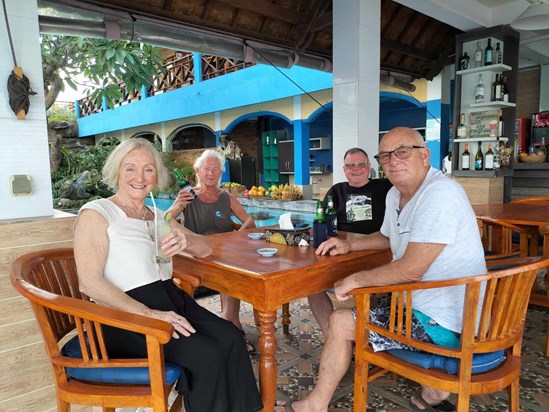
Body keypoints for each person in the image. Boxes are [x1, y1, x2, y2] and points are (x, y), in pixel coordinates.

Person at [276, 127, 486, 412]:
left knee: (340, 321)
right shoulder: (395, 195)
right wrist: (350, 245)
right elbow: (387, 237)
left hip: (442, 324)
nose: (393, 161)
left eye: (402, 152)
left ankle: (314, 405)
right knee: (367, 304)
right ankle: (434, 390)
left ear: (425, 155)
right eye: (385, 155)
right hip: (421, 304)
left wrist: (354, 279)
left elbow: (411, 270)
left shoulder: (440, 194)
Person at [74, 138, 262, 412]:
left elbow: (205, 248)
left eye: (148, 169)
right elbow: (89, 283)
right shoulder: (98, 213)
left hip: (169, 299)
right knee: (206, 354)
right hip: (124, 316)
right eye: (130, 168)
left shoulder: (157, 215)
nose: (140, 177)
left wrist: (187, 242)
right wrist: (149, 314)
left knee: (230, 336)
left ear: (156, 176)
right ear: (116, 171)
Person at [168, 148, 257, 353]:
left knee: (232, 272)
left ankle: (231, 324)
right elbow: (164, 220)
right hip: (197, 259)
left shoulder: (226, 197)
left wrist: (235, 237)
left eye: (215, 169)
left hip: (225, 257)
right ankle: (229, 329)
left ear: (220, 173)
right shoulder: (188, 196)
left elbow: (249, 221)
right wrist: (177, 206)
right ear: (197, 171)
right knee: (229, 274)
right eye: (206, 169)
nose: (210, 173)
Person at [308, 148, 392, 335]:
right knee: (311, 284)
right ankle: (331, 335)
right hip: (342, 252)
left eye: (361, 164)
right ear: (344, 169)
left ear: (369, 166)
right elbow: (321, 220)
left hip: (377, 252)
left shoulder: (386, 188)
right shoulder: (337, 191)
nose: (356, 169)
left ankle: (367, 336)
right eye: (350, 165)